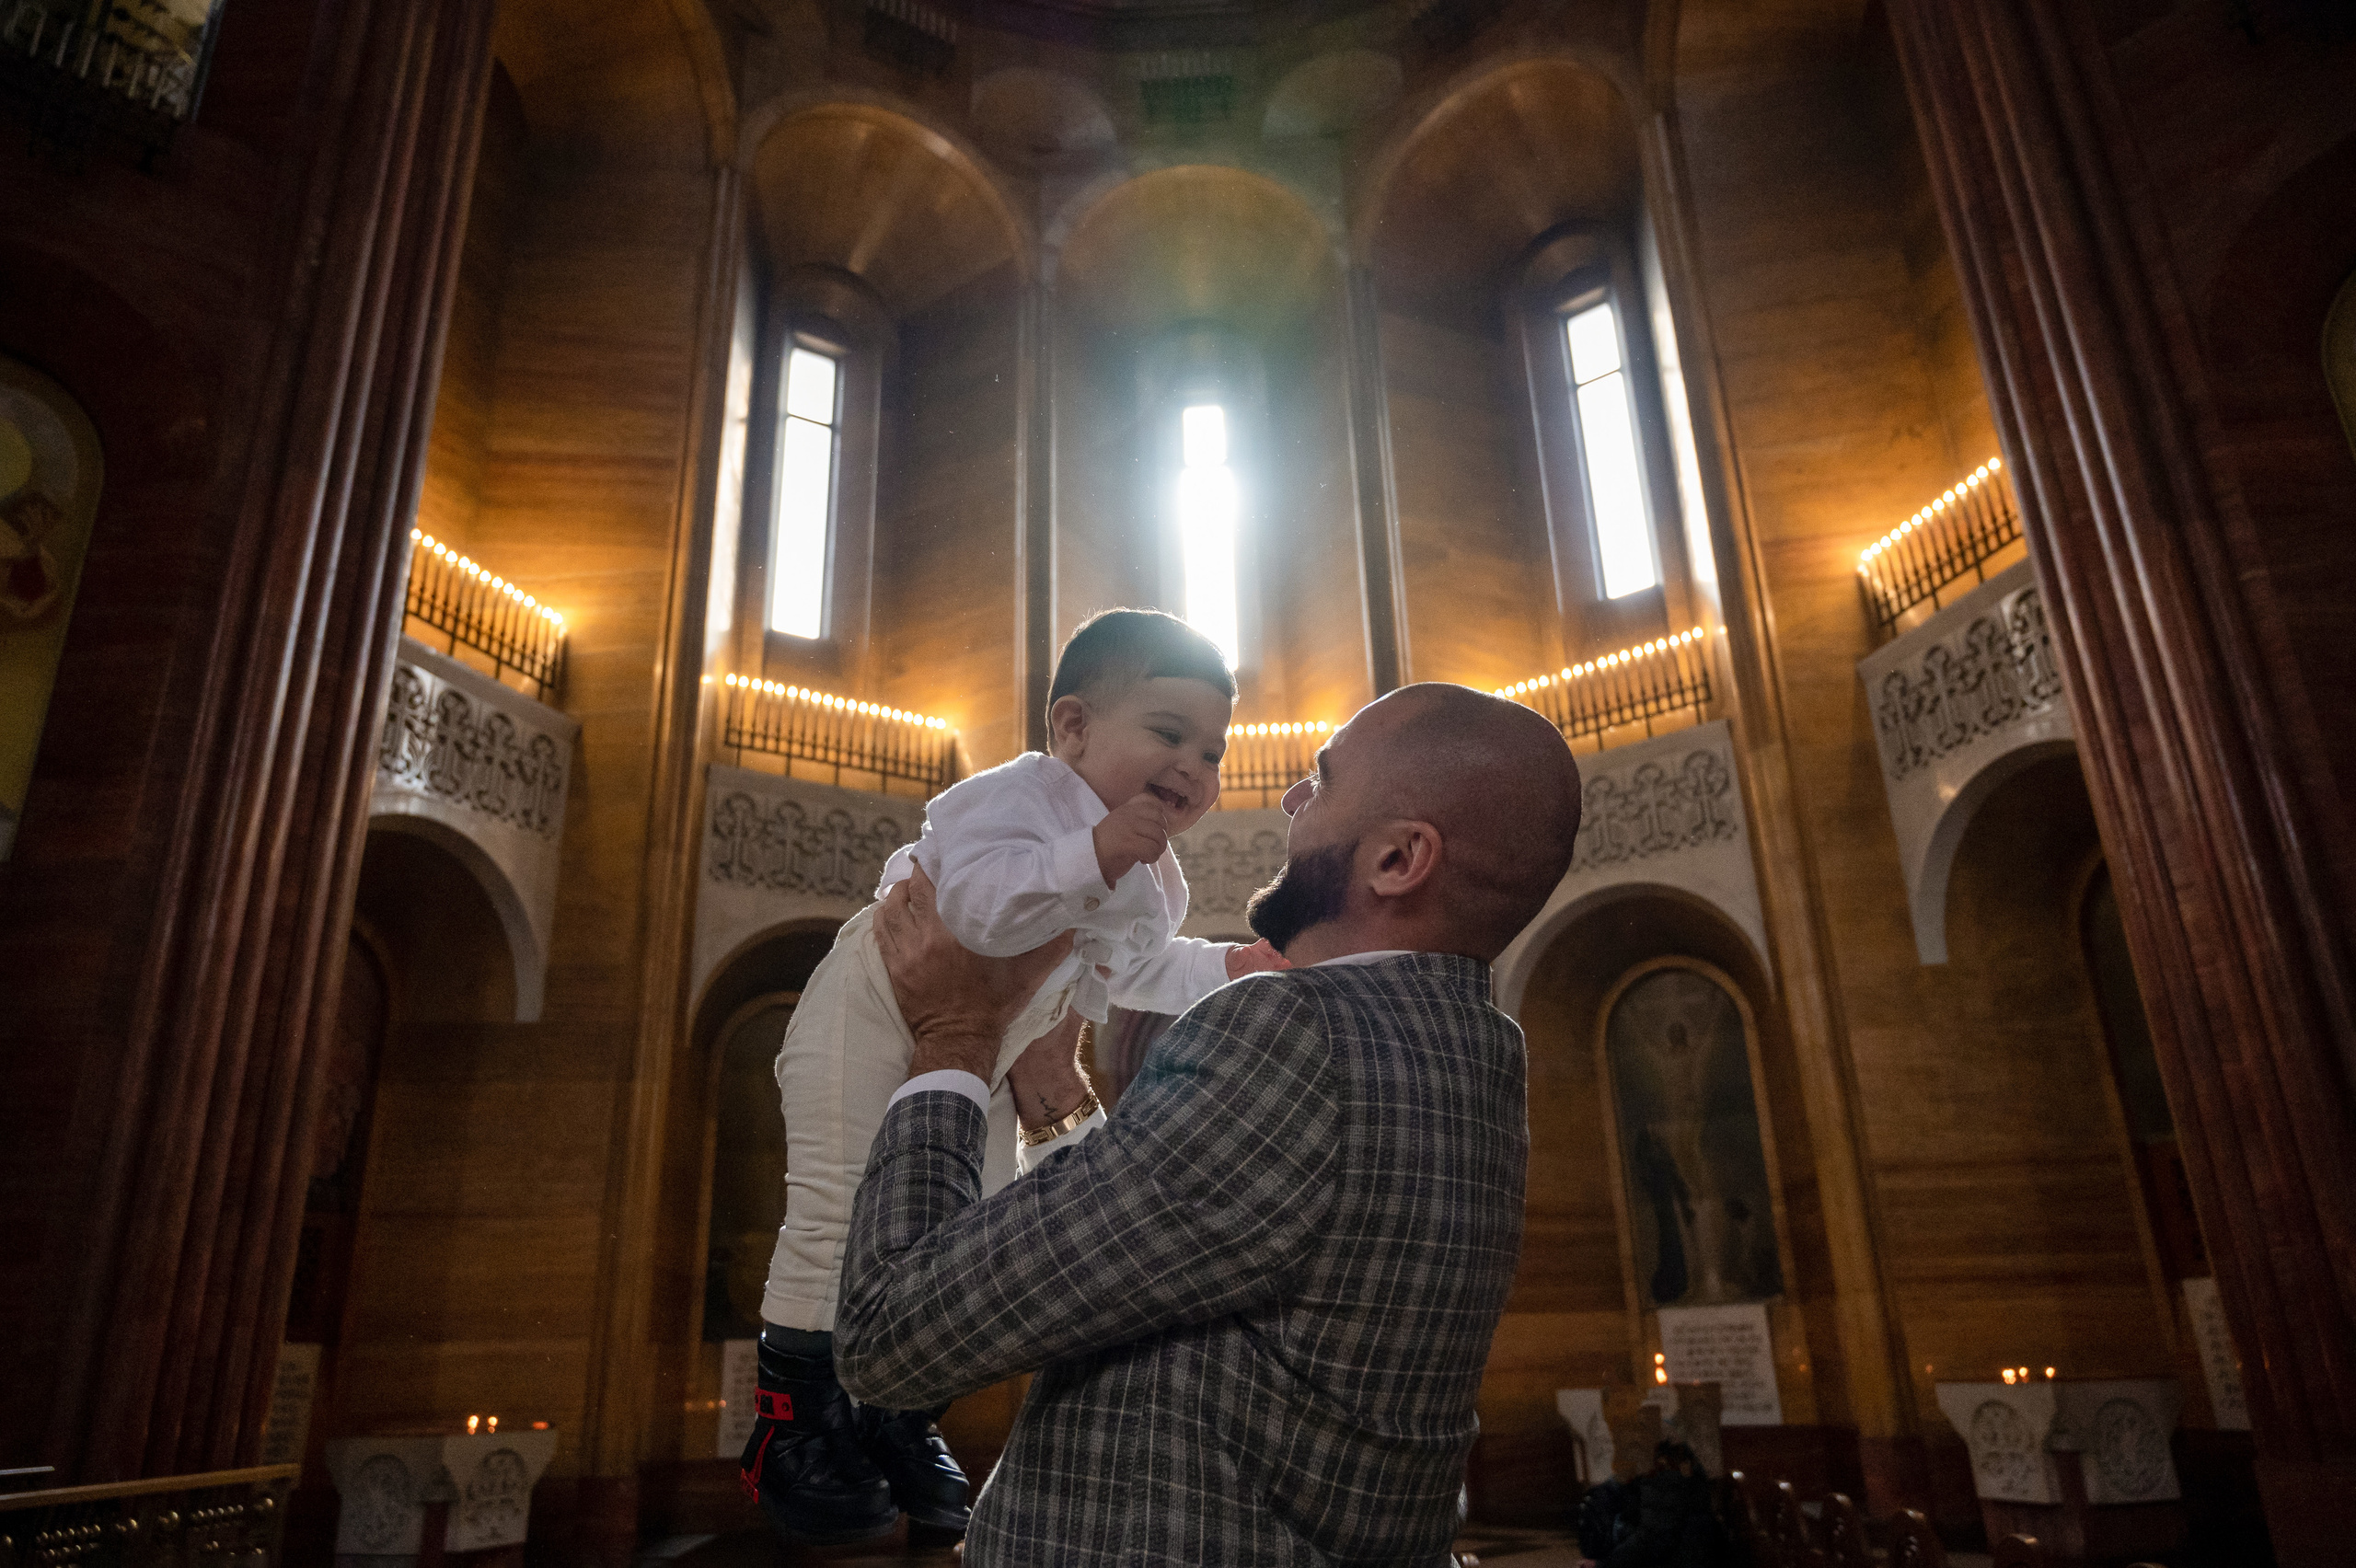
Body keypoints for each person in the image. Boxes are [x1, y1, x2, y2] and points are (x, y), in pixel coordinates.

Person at [834, 683, 1584, 1566]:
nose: (1291, 799)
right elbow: (1181, 1264)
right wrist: (1055, 1096)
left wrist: (953, 1037)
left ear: (1398, 860)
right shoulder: (1474, 1055)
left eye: (1323, 782)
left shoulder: (1291, 1032)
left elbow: (894, 1334)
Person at [738, 608, 1290, 1546]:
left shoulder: (1158, 878)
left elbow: (1131, 970)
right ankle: (786, 1426)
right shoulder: (1012, 800)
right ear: (1071, 727)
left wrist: (1226, 968)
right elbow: (975, 915)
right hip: (869, 1010)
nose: (1195, 770)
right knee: (837, 1207)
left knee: (958, 1224)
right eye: (1168, 735)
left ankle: (894, 1411)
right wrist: (1094, 854)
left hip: (985, 1045)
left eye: (1212, 751)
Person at [1578, 1442, 1724, 1568]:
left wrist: (1604, 1564)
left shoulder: (1663, 1469)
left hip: (1680, 1558)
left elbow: (1654, 1538)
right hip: (1683, 1550)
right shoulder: (1665, 1456)